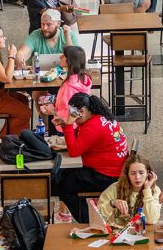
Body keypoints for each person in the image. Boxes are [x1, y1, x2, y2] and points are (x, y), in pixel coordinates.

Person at [49, 93, 128, 222]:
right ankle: (90, 213)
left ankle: (89, 221)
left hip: (106, 176)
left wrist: (69, 125)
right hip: (114, 169)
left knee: (64, 186)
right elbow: (82, 138)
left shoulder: (93, 126)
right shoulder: (99, 117)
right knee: (62, 175)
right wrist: (65, 125)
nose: (72, 117)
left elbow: (74, 151)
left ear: (82, 111)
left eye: (73, 114)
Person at [97, 153, 162, 229]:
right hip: (116, 234)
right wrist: (112, 203)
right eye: (133, 173)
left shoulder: (154, 190)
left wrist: (147, 189)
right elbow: (98, 218)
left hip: (142, 234)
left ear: (148, 173)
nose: (137, 177)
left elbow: (152, 220)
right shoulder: (115, 188)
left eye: (141, 173)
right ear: (127, 174)